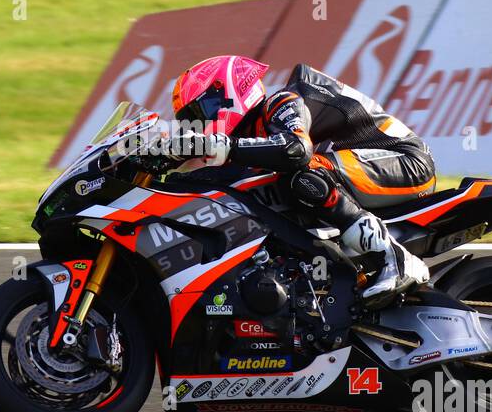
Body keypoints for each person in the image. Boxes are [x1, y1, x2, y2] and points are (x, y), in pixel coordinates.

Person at [168, 55, 434, 298]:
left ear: (227, 94)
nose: (199, 125)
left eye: (200, 113)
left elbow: (295, 150)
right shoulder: (253, 137)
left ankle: (394, 257)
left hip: (406, 162)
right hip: (359, 172)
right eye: (189, 120)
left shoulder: (282, 101)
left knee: (304, 174)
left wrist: (217, 145)